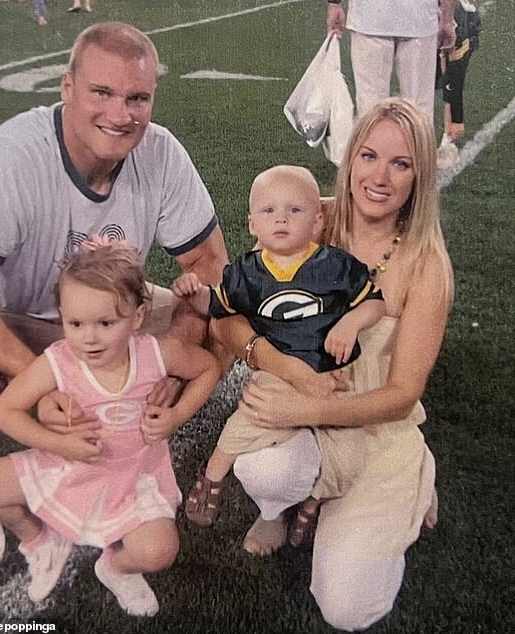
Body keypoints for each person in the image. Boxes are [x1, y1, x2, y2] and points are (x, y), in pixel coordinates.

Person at [0, 22, 228, 572]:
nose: (121, 114)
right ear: (67, 87)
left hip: (104, 310)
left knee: (225, 323)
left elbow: (209, 264)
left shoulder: (161, 153)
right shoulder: (7, 160)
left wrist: (176, 353)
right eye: (102, 93)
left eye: (137, 98)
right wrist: (44, 380)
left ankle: (134, 447)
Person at [210, 97, 453, 631]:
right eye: (368, 156)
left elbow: (402, 393)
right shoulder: (306, 216)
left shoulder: (425, 264)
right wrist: (283, 367)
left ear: (420, 176)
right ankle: (277, 510)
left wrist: (307, 403)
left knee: (349, 611)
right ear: (348, 159)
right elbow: (227, 318)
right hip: (305, 418)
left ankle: (413, 475)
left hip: (376, 433)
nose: (380, 177)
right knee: (263, 464)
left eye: (401, 163)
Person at [0, 239, 219, 612]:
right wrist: (59, 445)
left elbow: (207, 369)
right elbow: (5, 411)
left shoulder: (155, 353)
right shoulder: (59, 360)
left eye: (106, 323)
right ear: (62, 316)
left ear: (136, 317)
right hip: (69, 467)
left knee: (159, 551)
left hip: (134, 479)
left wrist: (177, 415)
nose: (89, 337)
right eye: (75, 323)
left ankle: (115, 567)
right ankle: (41, 542)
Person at [172, 165, 384, 543]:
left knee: (352, 453)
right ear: (252, 223)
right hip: (280, 371)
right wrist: (196, 294)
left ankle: (315, 501)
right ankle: (215, 473)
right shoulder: (248, 272)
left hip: (335, 374)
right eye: (269, 211)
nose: (281, 218)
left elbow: (374, 303)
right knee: (255, 413)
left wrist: (350, 325)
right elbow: (219, 308)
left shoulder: (334, 264)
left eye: (295, 211)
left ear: (318, 221)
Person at [326, 0, 456, 119]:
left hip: (369, 16)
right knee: (418, 112)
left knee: (370, 109)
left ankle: (373, 143)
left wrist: (334, 3)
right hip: (419, 17)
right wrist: (447, 18)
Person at [435, 0, 482, 168]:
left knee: (449, 78)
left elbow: (454, 75)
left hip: (464, 27)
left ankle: (448, 140)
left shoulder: (456, 19)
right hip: (431, 22)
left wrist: (456, 119)